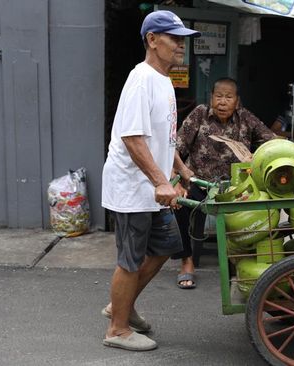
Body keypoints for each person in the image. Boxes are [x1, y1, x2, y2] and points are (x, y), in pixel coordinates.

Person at [100, 10, 200, 351]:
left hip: (153, 187)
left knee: (165, 247)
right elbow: (133, 137)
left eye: (182, 39)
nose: (180, 46)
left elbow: (162, 136)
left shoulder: (163, 80)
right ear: (152, 40)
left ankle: (120, 307)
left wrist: (181, 169)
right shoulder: (140, 79)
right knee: (130, 259)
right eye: (173, 38)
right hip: (132, 187)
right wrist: (161, 182)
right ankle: (117, 330)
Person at [172, 78, 277, 289]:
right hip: (198, 183)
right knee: (178, 203)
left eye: (228, 97)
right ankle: (187, 261)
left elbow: (272, 142)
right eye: (218, 96)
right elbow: (175, 147)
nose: (222, 102)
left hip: (234, 188)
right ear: (211, 98)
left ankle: (242, 259)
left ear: (237, 101)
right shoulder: (200, 114)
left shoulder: (245, 118)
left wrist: (257, 157)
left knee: (262, 206)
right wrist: (175, 178)